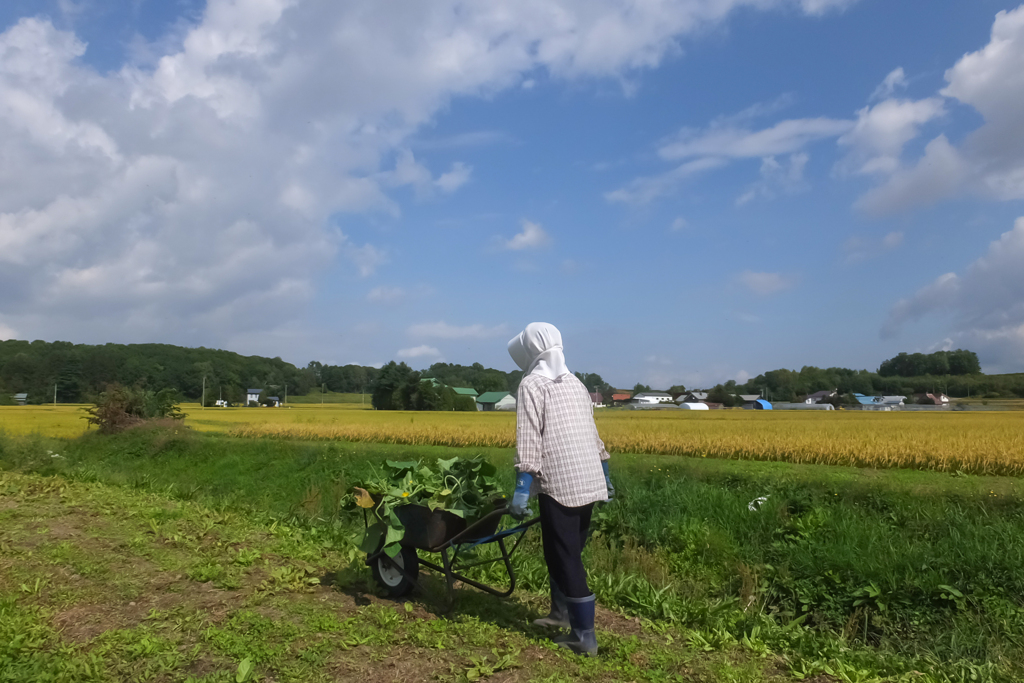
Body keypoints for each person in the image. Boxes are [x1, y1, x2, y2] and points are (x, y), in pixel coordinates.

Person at [506, 322, 614, 657]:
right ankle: (561, 613)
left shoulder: (531, 385)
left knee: (565, 556)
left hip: (560, 482)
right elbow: (592, 432)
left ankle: (583, 636)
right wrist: (606, 472)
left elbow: (529, 439)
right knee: (564, 551)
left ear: (532, 349)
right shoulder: (576, 383)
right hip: (589, 478)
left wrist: (523, 486)